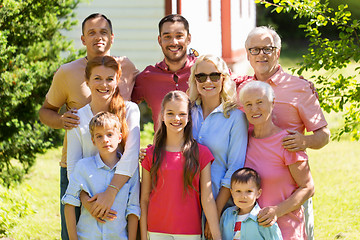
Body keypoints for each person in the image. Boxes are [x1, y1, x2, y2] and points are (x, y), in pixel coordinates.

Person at [38, 13, 139, 239]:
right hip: (78, 170)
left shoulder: (127, 67)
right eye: (91, 33)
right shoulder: (66, 72)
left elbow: (140, 106)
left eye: (103, 32)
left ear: (112, 37)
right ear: (83, 39)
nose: (98, 37)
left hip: (120, 173)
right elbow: (45, 111)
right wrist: (63, 121)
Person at [237, 26, 330, 240]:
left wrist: (304, 140)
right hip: (251, 195)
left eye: (267, 49)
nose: (261, 54)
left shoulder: (299, 88)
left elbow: (324, 135)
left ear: (277, 53)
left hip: (291, 194)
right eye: (255, 50)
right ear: (247, 54)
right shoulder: (241, 88)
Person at [140, 91, 221, 240]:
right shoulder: (150, 154)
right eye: (170, 113)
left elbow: (207, 199)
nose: (176, 118)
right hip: (156, 230)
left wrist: (217, 237)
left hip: (189, 231)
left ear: (189, 118)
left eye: (182, 114)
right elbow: (144, 198)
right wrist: (144, 236)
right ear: (162, 116)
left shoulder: (201, 153)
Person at [238, 81, 315, 240]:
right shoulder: (243, 139)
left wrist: (277, 211)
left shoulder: (287, 141)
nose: (254, 109)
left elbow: (308, 187)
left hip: (286, 230)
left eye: (260, 102)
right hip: (253, 233)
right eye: (249, 104)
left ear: (272, 103)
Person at [66, 55, 140, 220]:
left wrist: (110, 193)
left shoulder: (130, 110)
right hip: (89, 201)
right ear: (87, 81)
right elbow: (73, 168)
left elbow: (131, 157)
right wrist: (89, 203)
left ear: (117, 80)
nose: (104, 84)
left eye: (109, 79)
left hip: (122, 200)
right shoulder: (76, 117)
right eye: (97, 78)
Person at [188, 54, 248, 238]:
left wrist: (215, 212)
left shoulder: (236, 118)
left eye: (214, 76)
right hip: (187, 202)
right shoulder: (187, 113)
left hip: (220, 202)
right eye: (201, 76)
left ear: (223, 79)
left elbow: (235, 167)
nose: (208, 81)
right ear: (194, 80)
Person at [62, 111, 140, 240]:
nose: (105, 140)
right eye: (99, 136)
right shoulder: (83, 167)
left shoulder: (131, 171)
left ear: (119, 137)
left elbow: (133, 209)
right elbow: (69, 203)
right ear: (93, 140)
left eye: (109, 134)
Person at [131, 14, 196, 130]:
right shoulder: (148, 77)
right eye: (167, 37)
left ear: (189, 39)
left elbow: (234, 84)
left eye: (179, 36)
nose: (174, 42)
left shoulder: (202, 72)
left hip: (199, 147)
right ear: (159, 40)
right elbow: (121, 105)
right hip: (161, 148)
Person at [220, 167, 283, 240]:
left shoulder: (263, 218)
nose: (243, 196)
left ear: (258, 193)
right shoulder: (227, 215)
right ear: (232, 192)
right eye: (238, 191)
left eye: (249, 191)